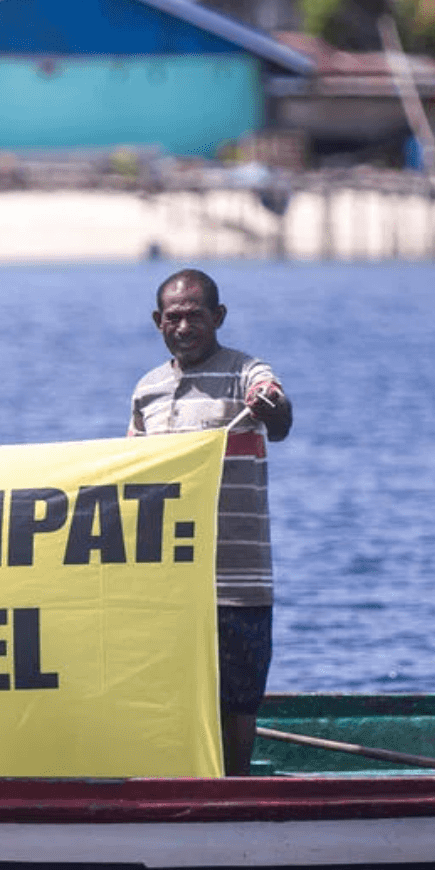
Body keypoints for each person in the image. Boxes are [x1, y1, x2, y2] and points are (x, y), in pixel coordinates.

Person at [128, 270, 291, 776]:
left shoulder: (247, 373)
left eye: (195, 315)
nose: (183, 326)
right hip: (171, 583)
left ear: (217, 318)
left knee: (237, 700)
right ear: (157, 322)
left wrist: (270, 403)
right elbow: (128, 475)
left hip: (238, 578)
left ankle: (235, 793)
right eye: (172, 317)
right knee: (173, 698)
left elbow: (279, 415)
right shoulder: (148, 391)